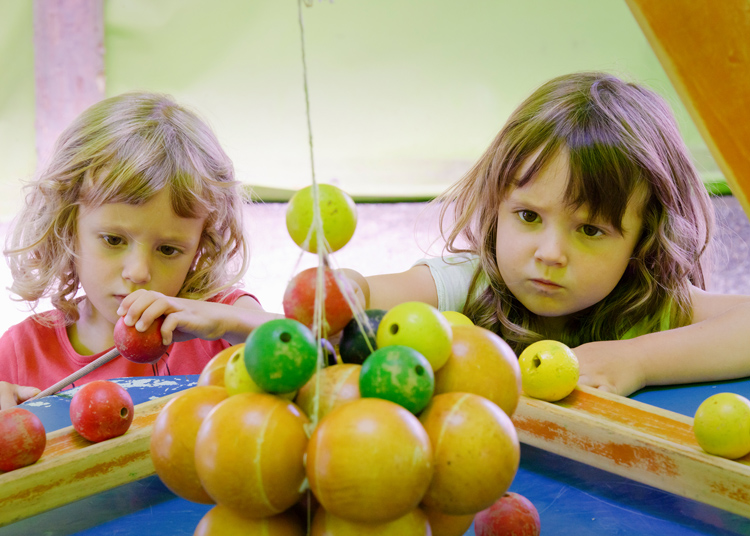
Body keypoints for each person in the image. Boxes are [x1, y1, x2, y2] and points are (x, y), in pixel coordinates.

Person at [344, 71, 750, 397]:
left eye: (590, 229)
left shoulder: (647, 304)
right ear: (496, 206)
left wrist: (637, 360)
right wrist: (345, 288)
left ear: (644, 239)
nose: (551, 253)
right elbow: (353, 303)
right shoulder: (466, 284)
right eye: (529, 216)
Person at [0, 92, 279, 409]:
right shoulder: (22, 353)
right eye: (114, 240)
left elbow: (314, 349)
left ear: (202, 245)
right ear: (66, 225)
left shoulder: (220, 323)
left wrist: (230, 323)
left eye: (169, 249)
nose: (138, 272)